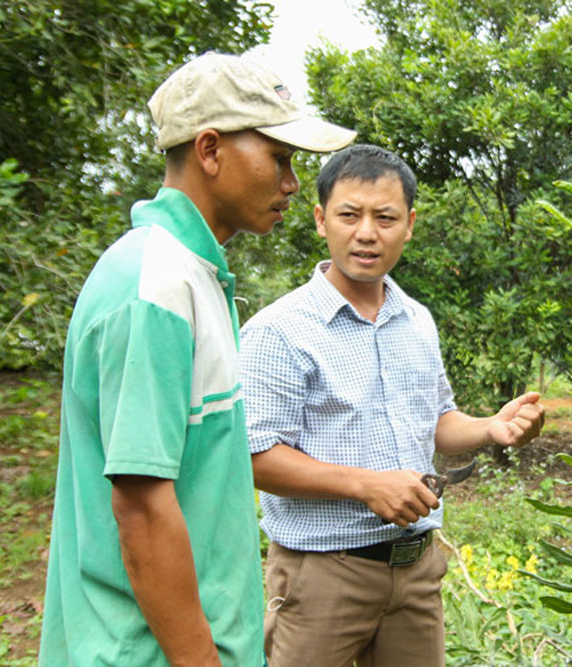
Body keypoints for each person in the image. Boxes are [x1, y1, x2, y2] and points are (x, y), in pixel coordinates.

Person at [38, 52, 355, 666]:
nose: (292, 183)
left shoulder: (195, 276)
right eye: (280, 159)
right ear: (210, 150)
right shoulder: (153, 288)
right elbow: (141, 506)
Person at [239, 143, 546, 667]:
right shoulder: (277, 331)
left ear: (408, 224)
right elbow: (257, 459)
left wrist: (491, 428)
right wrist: (366, 484)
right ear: (320, 220)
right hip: (321, 574)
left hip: (416, 570)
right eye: (349, 215)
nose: (366, 232)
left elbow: (436, 422)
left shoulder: (416, 319)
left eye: (385, 217)